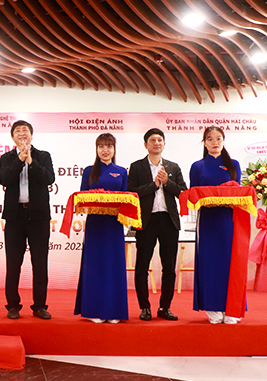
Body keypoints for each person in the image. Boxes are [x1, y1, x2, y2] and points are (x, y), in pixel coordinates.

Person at [128, 128, 187, 321]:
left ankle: (164, 307)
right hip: (146, 221)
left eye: (160, 140)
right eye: (152, 140)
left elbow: (183, 193)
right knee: (142, 266)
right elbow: (132, 193)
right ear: (146, 144)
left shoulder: (173, 166)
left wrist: (167, 182)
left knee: (169, 267)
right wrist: (153, 186)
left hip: (168, 220)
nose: (156, 143)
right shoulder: (136, 167)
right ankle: (144, 307)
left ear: (164, 144)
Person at [0, 120, 55, 320]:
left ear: (32, 135)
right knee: (13, 264)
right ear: (12, 137)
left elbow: (49, 178)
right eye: (17, 131)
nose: (21, 133)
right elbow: (4, 179)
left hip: (38, 217)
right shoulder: (6, 158)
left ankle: (40, 306)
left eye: (25, 130)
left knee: (40, 263)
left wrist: (31, 161)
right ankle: (13, 306)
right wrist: (19, 160)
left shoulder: (43, 156)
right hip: (15, 217)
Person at [190, 126, 242, 324]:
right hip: (208, 221)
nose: (215, 142)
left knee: (230, 262)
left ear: (224, 141)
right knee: (209, 262)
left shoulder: (233, 164)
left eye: (218, 138)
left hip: (228, 220)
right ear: (204, 142)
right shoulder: (197, 166)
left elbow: (237, 192)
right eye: (210, 139)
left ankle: (231, 308)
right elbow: (193, 194)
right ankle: (212, 307)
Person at [74, 133, 129, 323]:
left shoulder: (121, 171)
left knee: (114, 265)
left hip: (114, 225)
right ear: (96, 150)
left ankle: (114, 312)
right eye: (101, 146)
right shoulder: (89, 171)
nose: (105, 150)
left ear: (114, 149)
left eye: (109, 146)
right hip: (95, 224)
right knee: (95, 265)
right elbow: (80, 197)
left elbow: (126, 198)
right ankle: (93, 310)